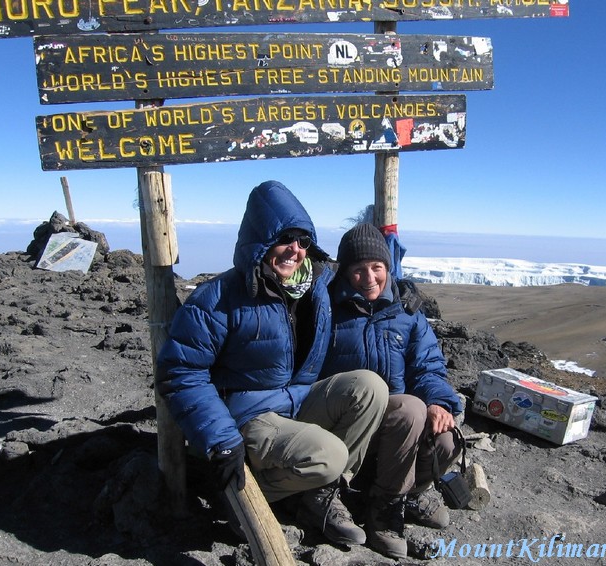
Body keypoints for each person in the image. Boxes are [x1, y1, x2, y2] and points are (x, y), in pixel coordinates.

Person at [156, 181, 389, 547]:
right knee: (329, 456)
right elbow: (181, 372)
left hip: (297, 402)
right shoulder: (217, 299)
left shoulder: (317, 283)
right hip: (248, 416)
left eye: (303, 241)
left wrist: (398, 292)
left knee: (369, 387)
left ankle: (319, 497)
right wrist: (220, 440)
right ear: (260, 238)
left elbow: (365, 283)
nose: (295, 250)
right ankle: (238, 499)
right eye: (285, 238)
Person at [321, 223, 464, 559]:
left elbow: (427, 366)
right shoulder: (326, 309)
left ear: (388, 268)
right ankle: (381, 517)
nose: (369, 278)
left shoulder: (407, 313)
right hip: (348, 425)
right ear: (344, 272)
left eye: (377, 267)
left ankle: (403, 494)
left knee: (448, 436)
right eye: (357, 269)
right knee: (409, 409)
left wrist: (438, 402)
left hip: (399, 427)